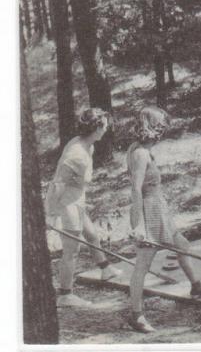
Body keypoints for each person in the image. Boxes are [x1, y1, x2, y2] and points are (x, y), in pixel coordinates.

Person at [127, 107, 201, 333]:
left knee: (182, 245)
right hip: (149, 212)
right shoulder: (140, 153)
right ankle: (136, 315)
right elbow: (136, 190)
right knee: (142, 265)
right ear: (152, 128)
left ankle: (196, 286)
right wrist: (138, 225)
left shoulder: (140, 149)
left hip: (159, 208)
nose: (162, 134)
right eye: (160, 129)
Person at [44, 108, 121, 307]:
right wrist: (50, 214)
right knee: (72, 250)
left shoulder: (87, 145)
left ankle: (105, 268)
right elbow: (58, 183)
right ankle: (65, 294)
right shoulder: (77, 152)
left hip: (77, 199)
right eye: (104, 125)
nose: (107, 128)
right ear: (96, 128)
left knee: (92, 235)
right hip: (67, 203)